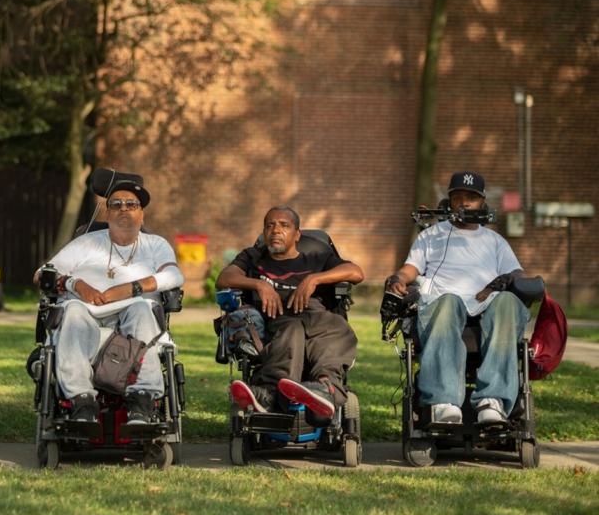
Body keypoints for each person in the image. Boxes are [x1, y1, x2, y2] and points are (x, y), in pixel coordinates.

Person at [38, 170, 183, 425]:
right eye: (116, 204)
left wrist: (130, 289)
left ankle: (142, 401)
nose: (124, 209)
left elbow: (173, 275)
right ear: (107, 213)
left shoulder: (155, 244)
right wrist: (76, 283)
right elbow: (43, 273)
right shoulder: (87, 242)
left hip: (134, 314)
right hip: (85, 314)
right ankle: (82, 402)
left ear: (142, 213)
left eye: (131, 204)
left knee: (141, 309)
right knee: (72, 310)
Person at [386, 171, 527, 426]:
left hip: (487, 307)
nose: (464, 203)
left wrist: (516, 279)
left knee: (508, 302)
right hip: (442, 306)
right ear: (449, 201)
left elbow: (516, 272)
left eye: (471, 198)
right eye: (458, 197)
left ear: (482, 203)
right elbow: (410, 269)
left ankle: (491, 402)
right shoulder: (430, 236)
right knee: (450, 300)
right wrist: (398, 278)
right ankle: (444, 402)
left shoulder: (495, 241)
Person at [218, 206, 364, 420]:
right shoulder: (253, 257)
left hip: (316, 316)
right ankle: (269, 392)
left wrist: (314, 279)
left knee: (337, 327)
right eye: (270, 225)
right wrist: (260, 285)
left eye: (284, 225)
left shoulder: (318, 257)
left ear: (297, 235)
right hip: (276, 318)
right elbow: (224, 278)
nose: (275, 230)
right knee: (292, 329)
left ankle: (324, 390)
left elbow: (356, 272)